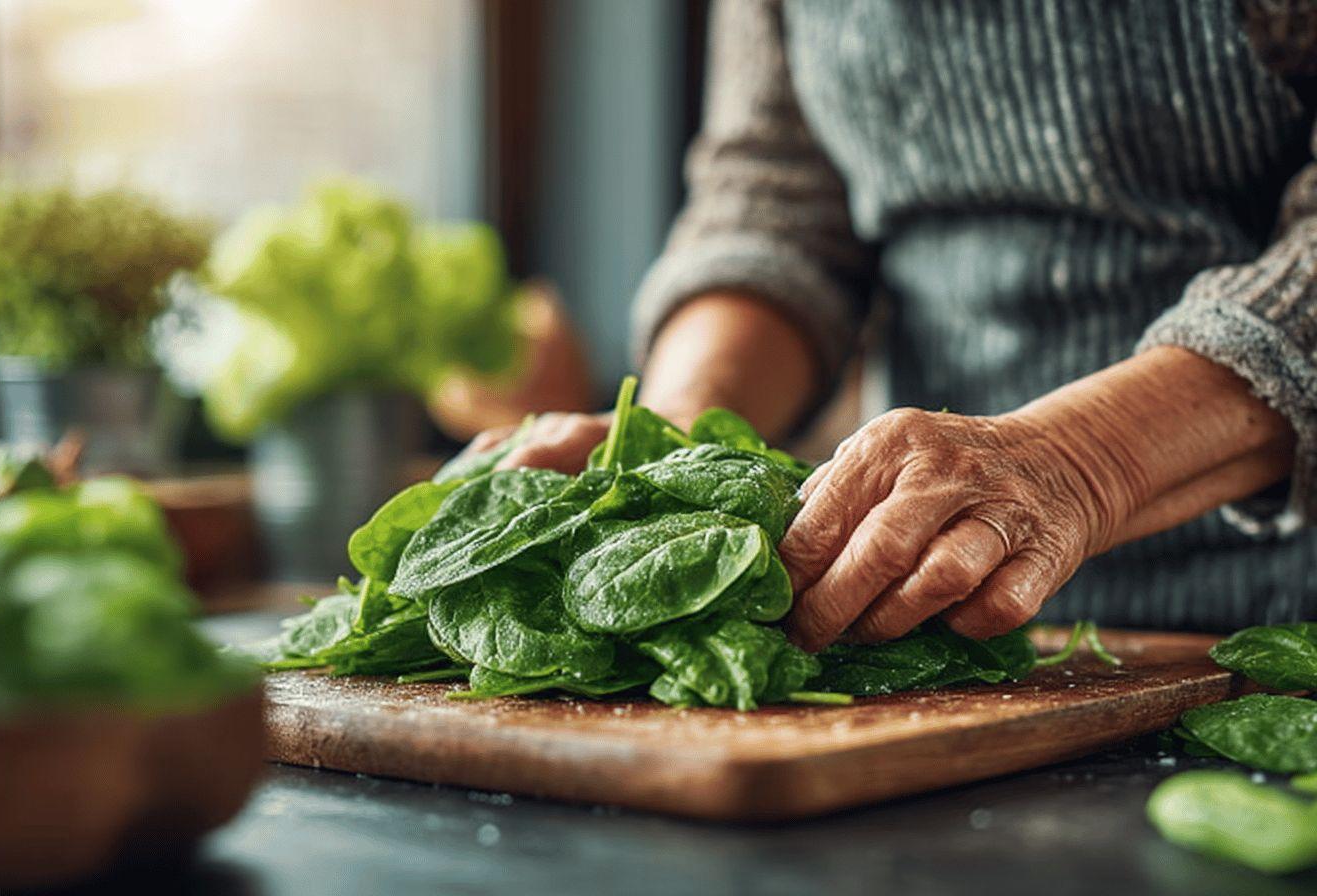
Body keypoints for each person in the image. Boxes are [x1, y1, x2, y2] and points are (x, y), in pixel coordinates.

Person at [464, 0, 1317, 652]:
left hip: (1279, 627)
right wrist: (681, 433)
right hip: (937, 614)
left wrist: (1082, 460)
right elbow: (775, 192)